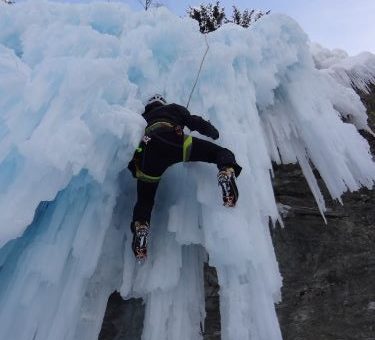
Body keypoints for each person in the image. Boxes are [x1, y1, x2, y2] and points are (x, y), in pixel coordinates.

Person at [128, 94, 242, 261]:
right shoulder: (173, 108)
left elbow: (132, 145)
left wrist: (134, 166)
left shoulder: (143, 118)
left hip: (149, 150)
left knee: (145, 199)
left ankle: (141, 226)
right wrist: (212, 132)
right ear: (162, 102)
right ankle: (226, 170)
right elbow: (193, 121)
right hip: (175, 142)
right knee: (218, 153)